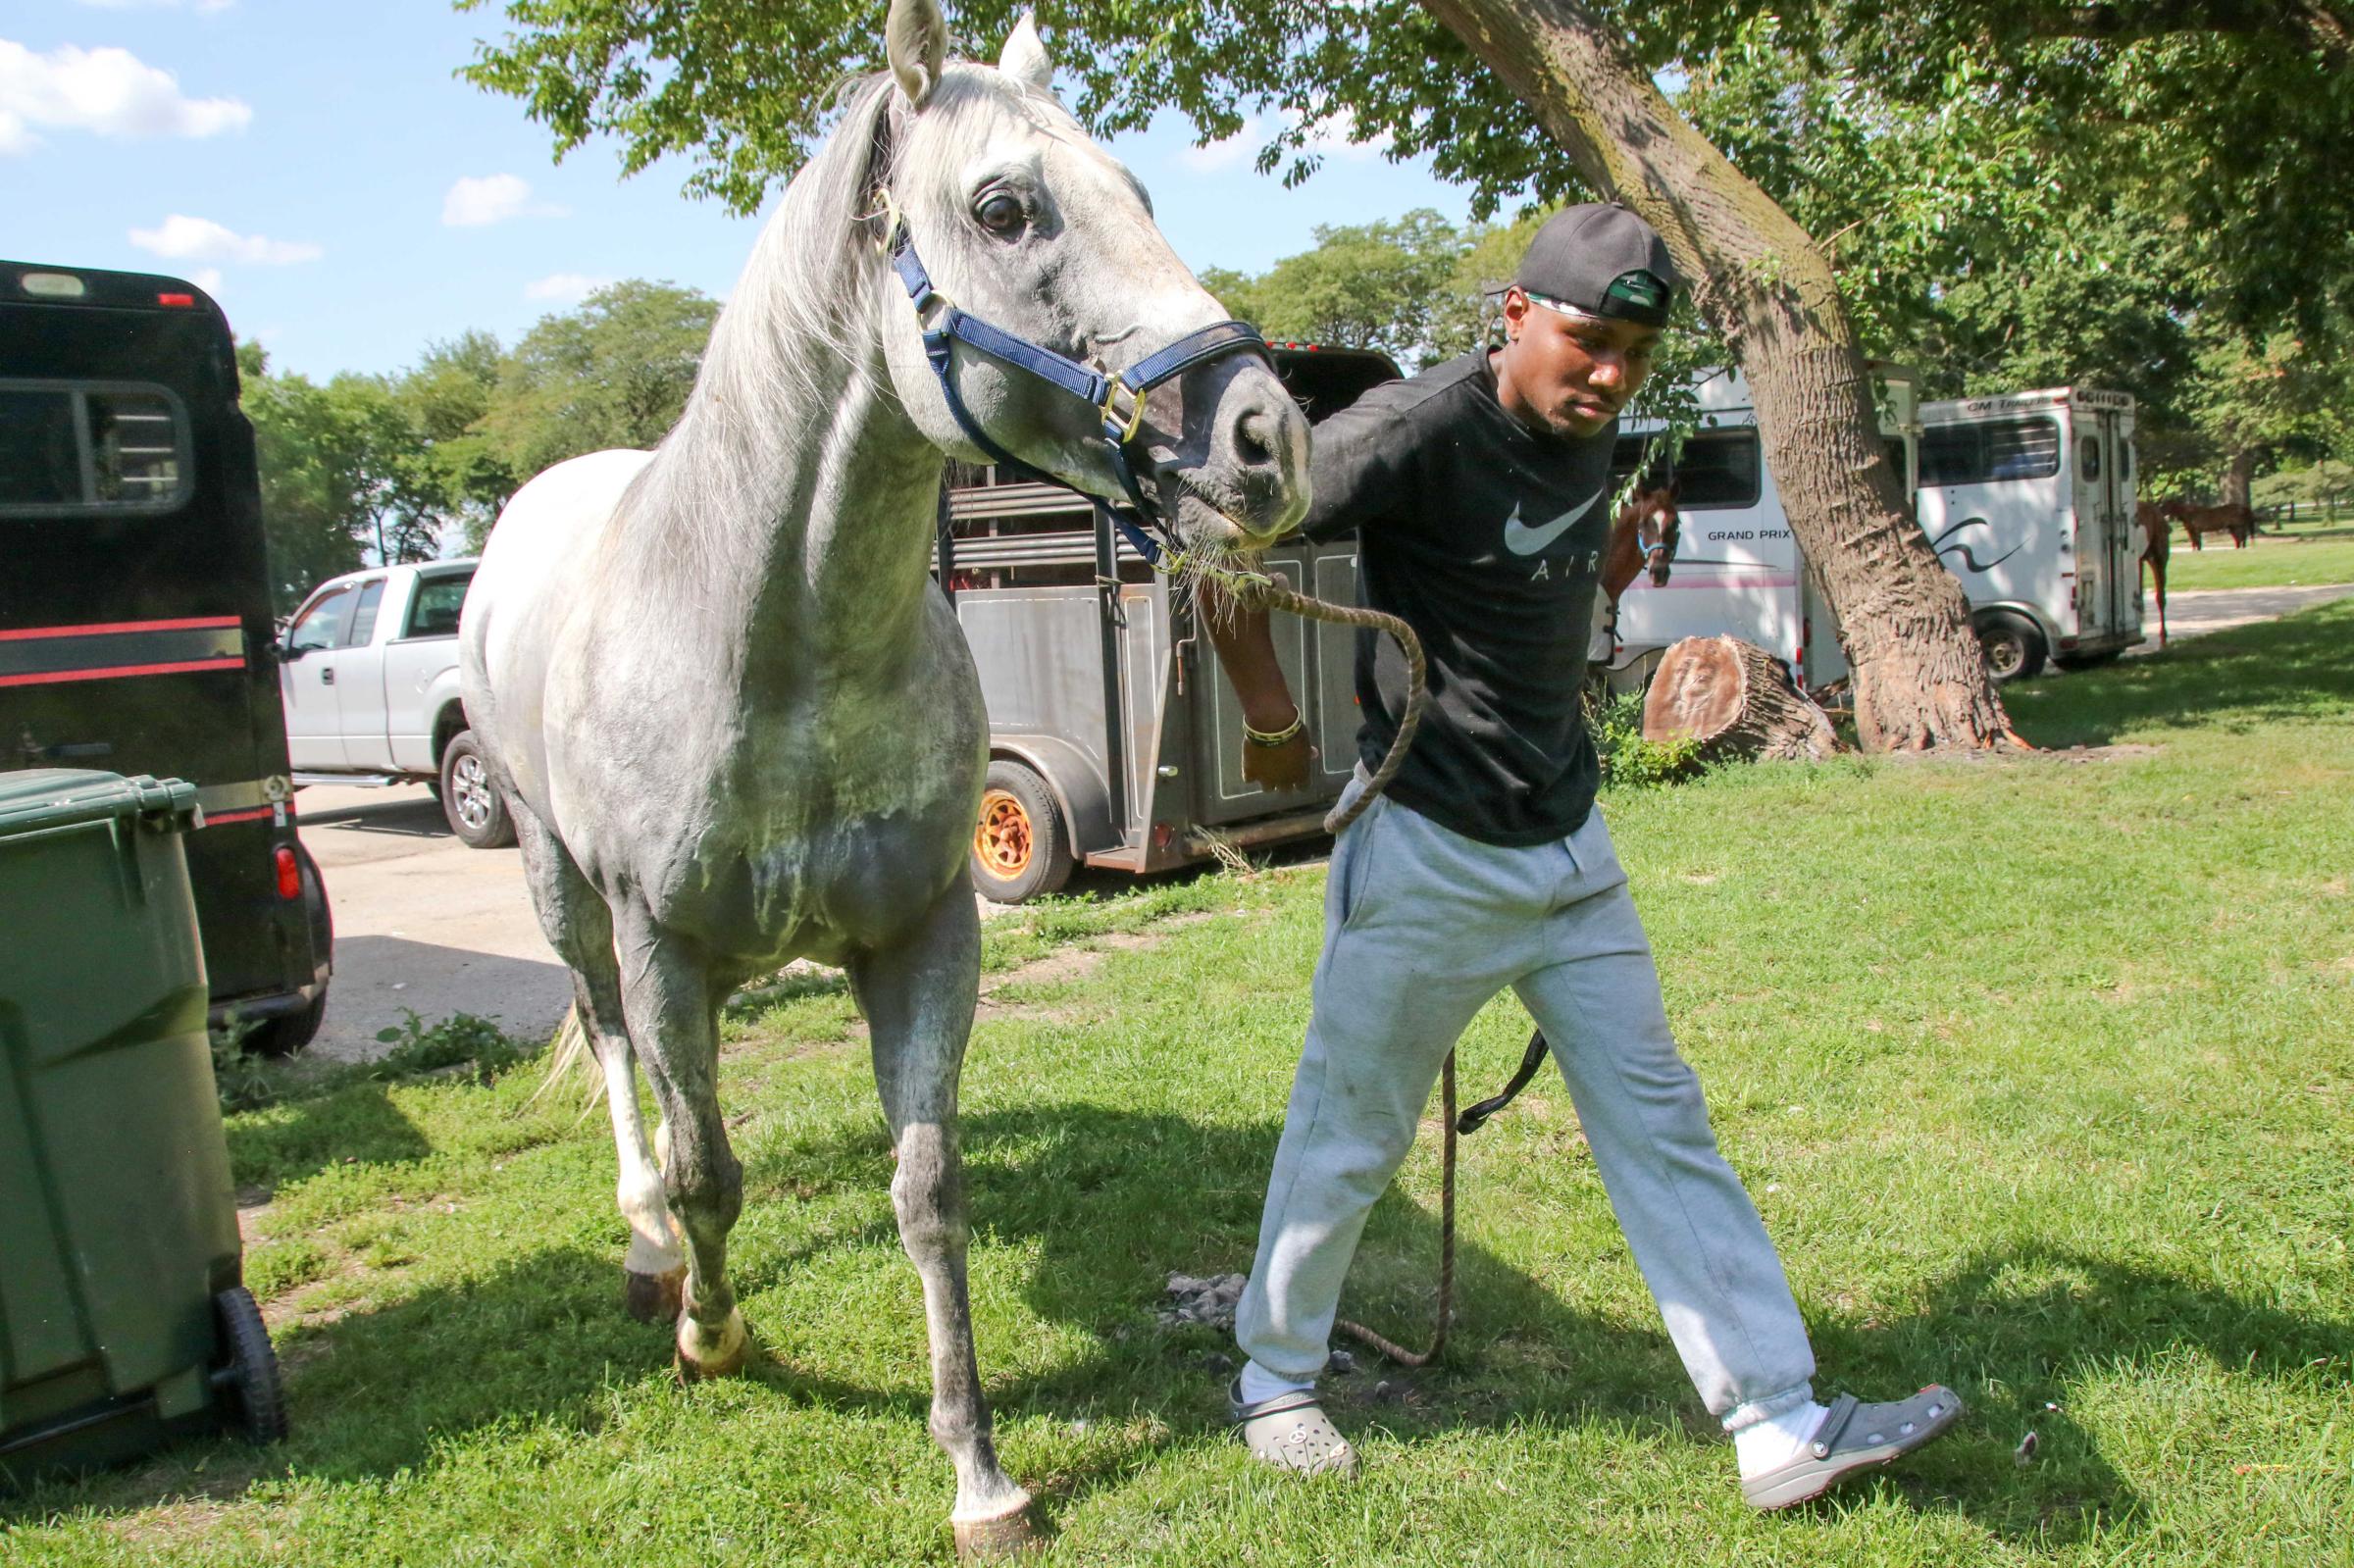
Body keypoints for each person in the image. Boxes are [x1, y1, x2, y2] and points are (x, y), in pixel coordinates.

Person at [1205, 203, 1962, 1510]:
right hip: (1428, 851)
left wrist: (1618, 556)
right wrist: (1272, 713)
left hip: (1571, 849)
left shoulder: (1596, 427)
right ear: (1514, 317)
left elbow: (1540, 577)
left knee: (1664, 1125)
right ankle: (1275, 1379)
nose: (1608, 376)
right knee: (1350, 1134)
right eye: (1586, 343)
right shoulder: (1412, 429)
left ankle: (1778, 1419)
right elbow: (1226, 543)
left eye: (1632, 356)